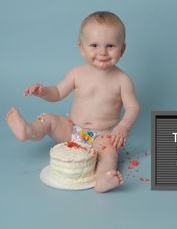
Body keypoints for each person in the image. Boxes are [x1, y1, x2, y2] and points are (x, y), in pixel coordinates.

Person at [6, 11, 140, 193]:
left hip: (102, 136)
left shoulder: (122, 80)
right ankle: (28, 131)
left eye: (110, 46)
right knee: (48, 119)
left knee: (110, 154)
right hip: (73, 130)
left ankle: (103, 178)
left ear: (122, 50)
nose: (102, 52)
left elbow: (133, 107)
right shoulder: (76, 73)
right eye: (94, 45)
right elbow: (58, 92)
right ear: (81, 48)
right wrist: (43, 91)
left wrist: (123, 126)